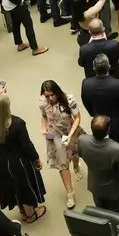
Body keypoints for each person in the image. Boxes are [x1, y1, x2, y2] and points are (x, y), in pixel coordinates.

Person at [0, 93, 47, 223]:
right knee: (25, 186)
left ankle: (22, 210)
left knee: (11, 186)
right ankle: (30, 215)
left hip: (0, 161)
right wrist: (36, 159)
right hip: (19, 162)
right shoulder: (17, 123)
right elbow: (26, 145)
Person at [76, 115, 119, 217]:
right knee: (118, 217)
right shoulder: (117, 149)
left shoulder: (82, 140)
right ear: (108, 130)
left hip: (95, 186)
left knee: (102, 215)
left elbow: (80, 154)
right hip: (114, 190)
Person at [81, 53, 119, 156]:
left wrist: (94, 114)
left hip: (99, 125)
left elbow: (85, 101)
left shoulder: (86, 83)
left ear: (94, 68)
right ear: (109, 66)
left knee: (104, 150)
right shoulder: (118, 84)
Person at [39, 80, 84, 210]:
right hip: (56, 134)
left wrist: (71, 134)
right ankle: (70, 193)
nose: (50, 98)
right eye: (47, 96)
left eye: (52, 95)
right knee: (62, 163)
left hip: (70, 130)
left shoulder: (69, 100)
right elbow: (44, 116)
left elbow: (77, 117)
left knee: (74, 152)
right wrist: (44, 128)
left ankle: (76, 166)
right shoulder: (43, 103)